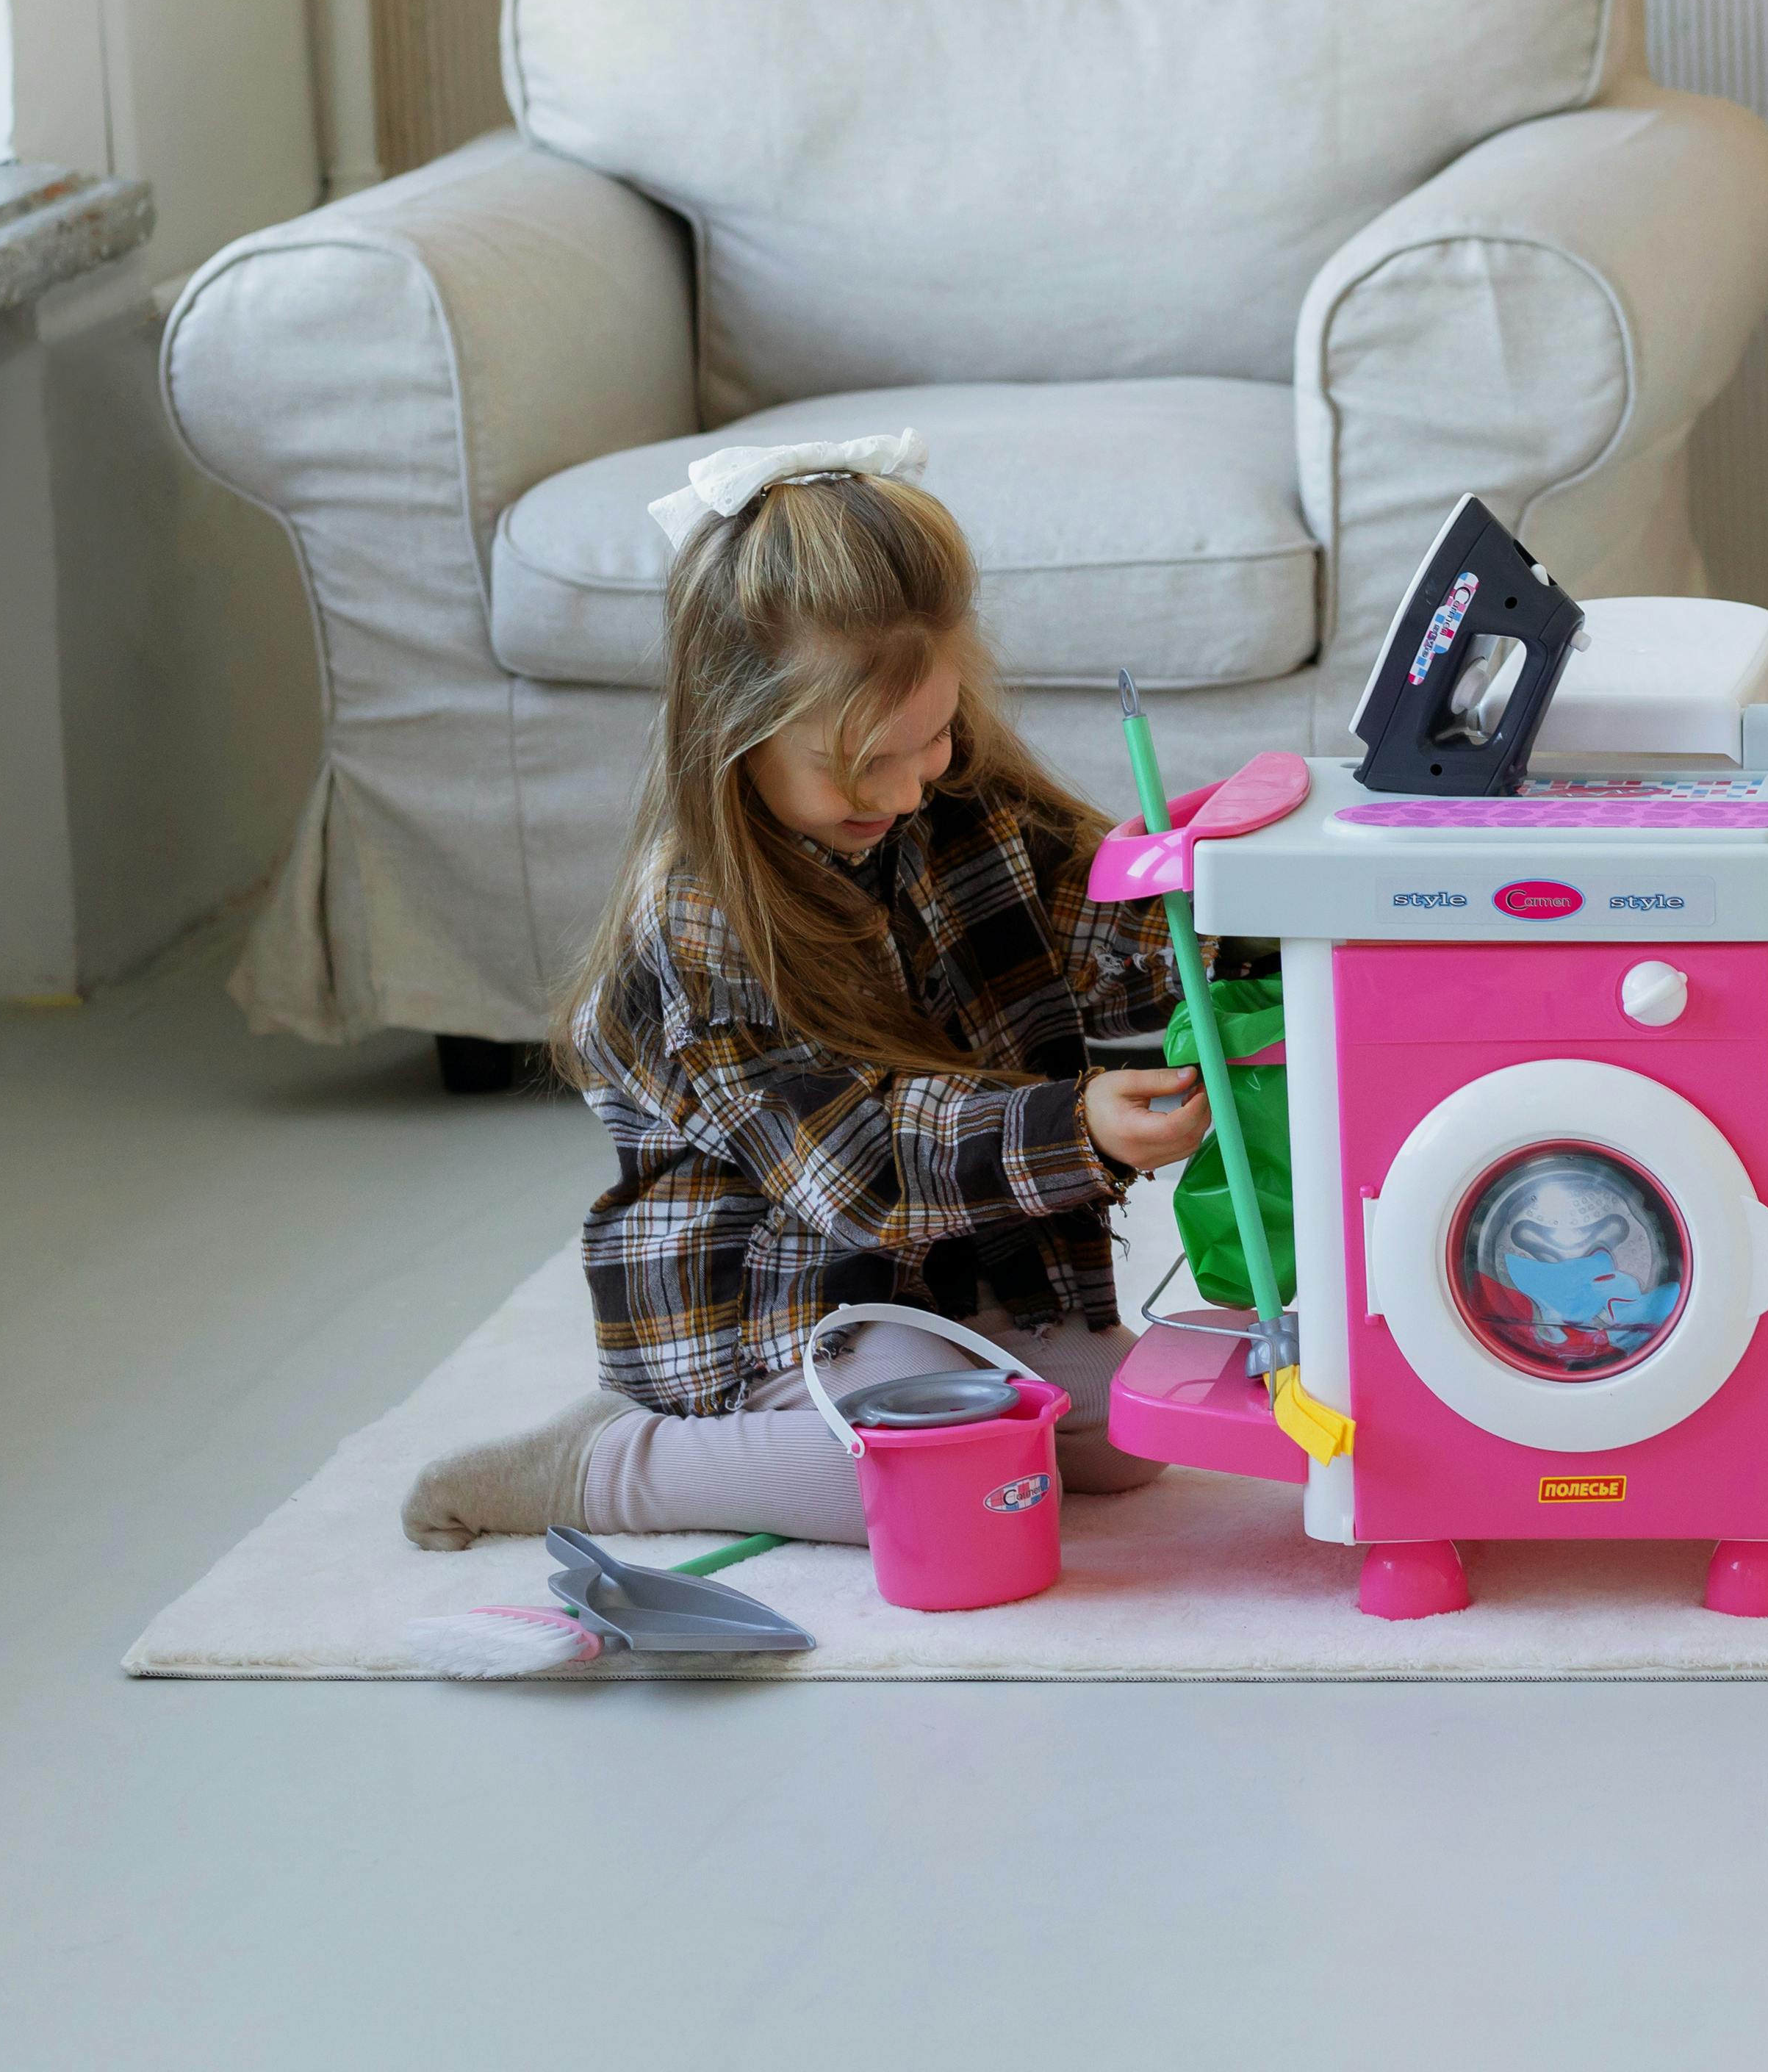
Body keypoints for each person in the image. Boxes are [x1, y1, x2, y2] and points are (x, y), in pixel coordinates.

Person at [403, 432, 1212, 1550]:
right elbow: (860, 1168)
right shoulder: (697, 921)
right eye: (862, 763)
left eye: (929, 737)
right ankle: (601, 1462)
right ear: (733, 732)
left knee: (1141, 1435)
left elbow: (1103, 937)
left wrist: (1219, 927)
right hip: (779, 1298)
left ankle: (927, 1394)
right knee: (902, 1481)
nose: (909, 782)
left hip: (958, 1265)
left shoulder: (952, 791)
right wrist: (1078, 1126)